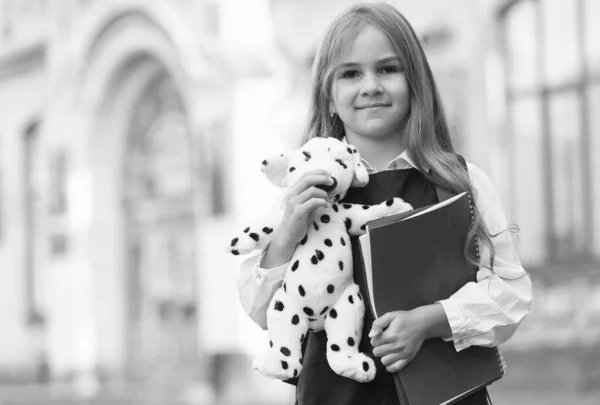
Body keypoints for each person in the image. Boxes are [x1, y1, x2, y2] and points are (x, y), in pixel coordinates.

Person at [237, 2, 532, 404]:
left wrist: (432, 320)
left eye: (388, 69)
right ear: (328, 96)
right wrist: (287, 231)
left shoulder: (458, 181)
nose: (371, 85)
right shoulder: (302, 189)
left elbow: (512, 295)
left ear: (415, 84)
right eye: (351, 73)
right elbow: (263, 313)